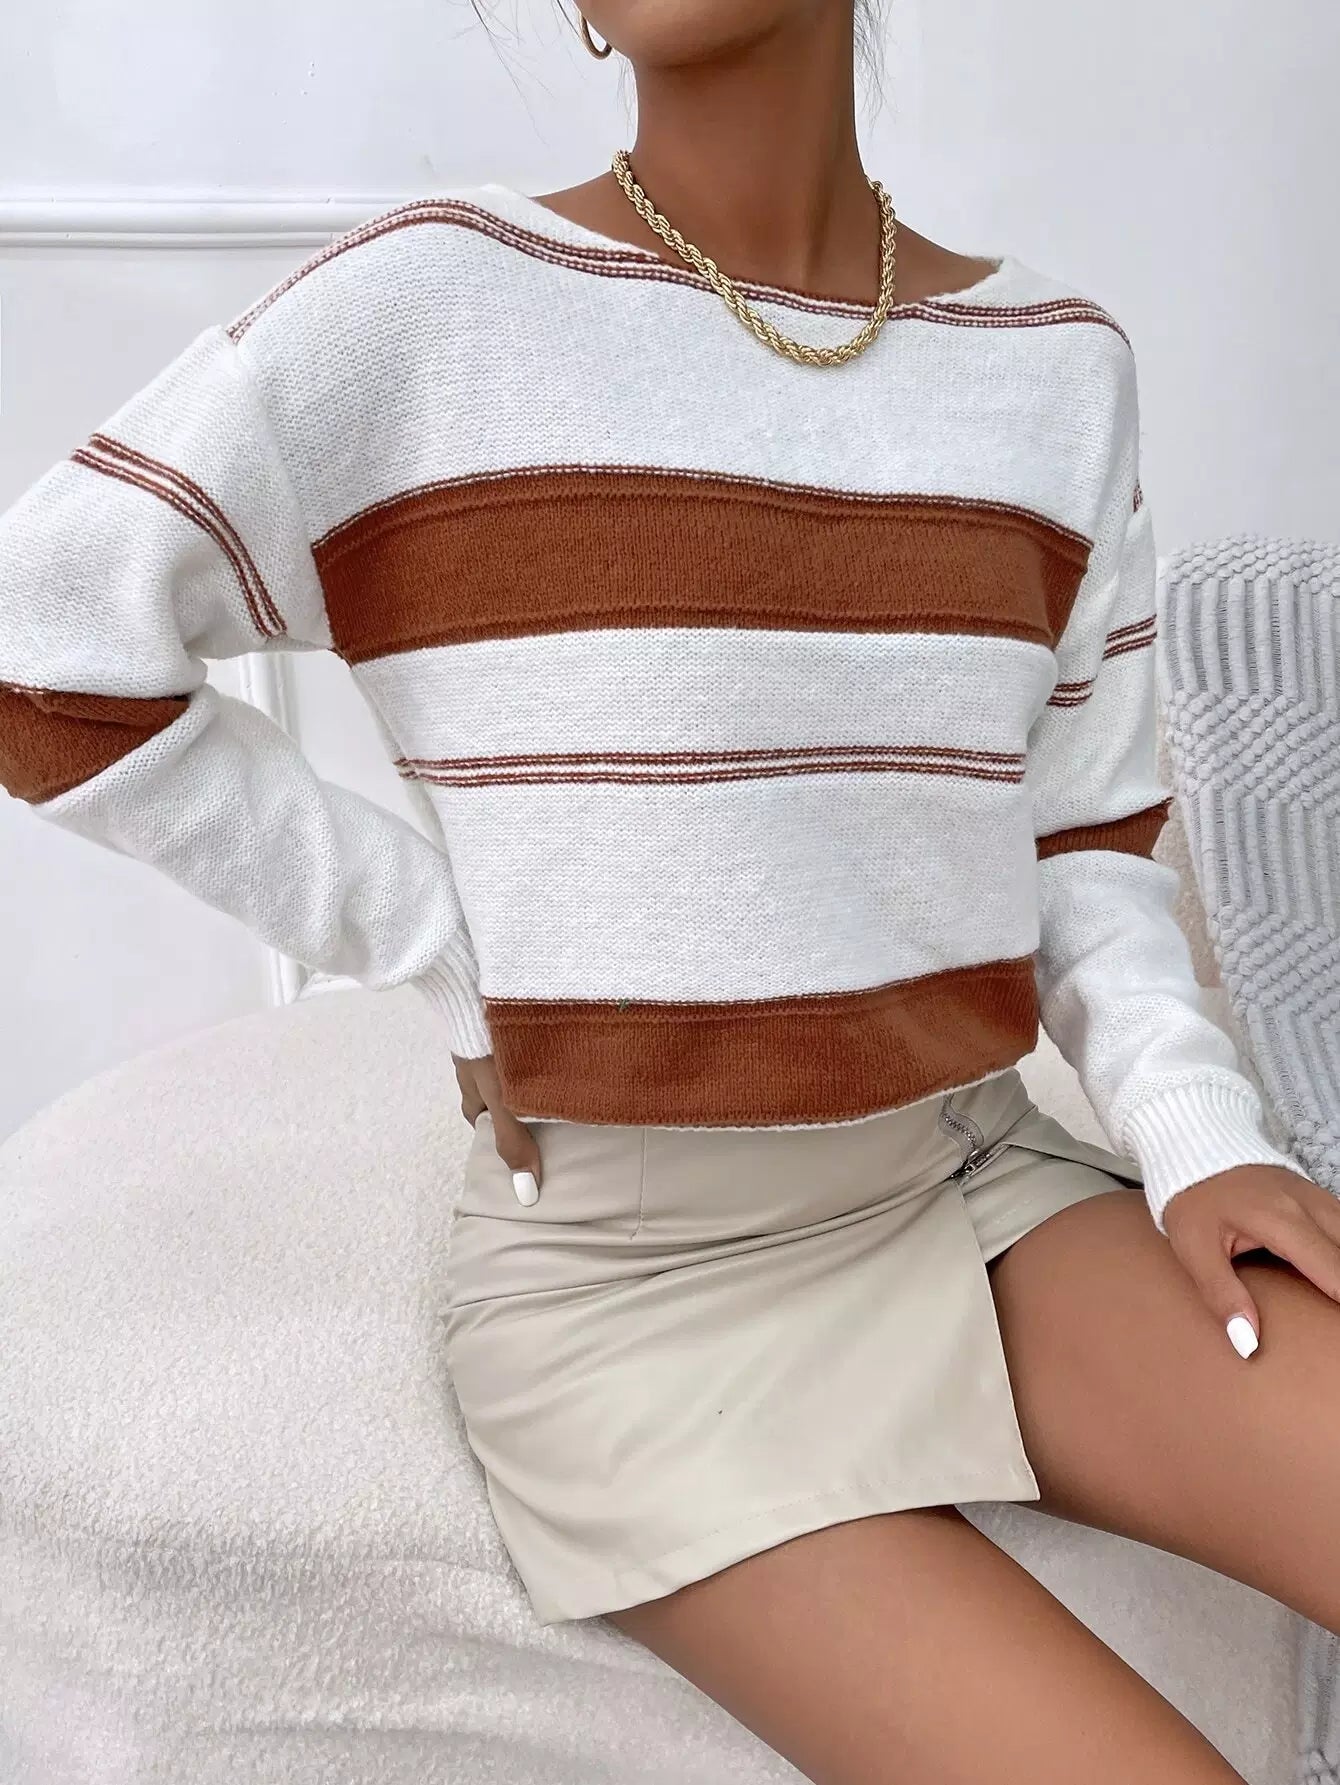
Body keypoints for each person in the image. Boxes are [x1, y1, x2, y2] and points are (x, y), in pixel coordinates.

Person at [1, 2, 1337, 1779]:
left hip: (973, 1185)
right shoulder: (430, 305)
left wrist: (1198, 1134)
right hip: (639, 1304)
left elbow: (1086, 842)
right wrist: (440, 945)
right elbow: (47, 648)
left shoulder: (1052, 365)